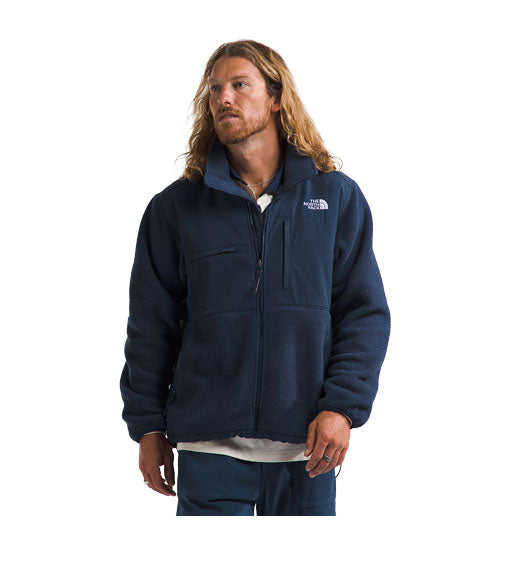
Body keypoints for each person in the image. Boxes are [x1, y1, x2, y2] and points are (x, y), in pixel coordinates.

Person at [119, 39, 391, 516]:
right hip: (208, 449)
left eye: (240, 85)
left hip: (307, 450)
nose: (223, 97)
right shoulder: (176, 208)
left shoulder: (335, 198)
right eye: (215, 88)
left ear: (276, 96)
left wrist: (342, 408)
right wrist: (148, 427)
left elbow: (363, 312)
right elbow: (150, 325)